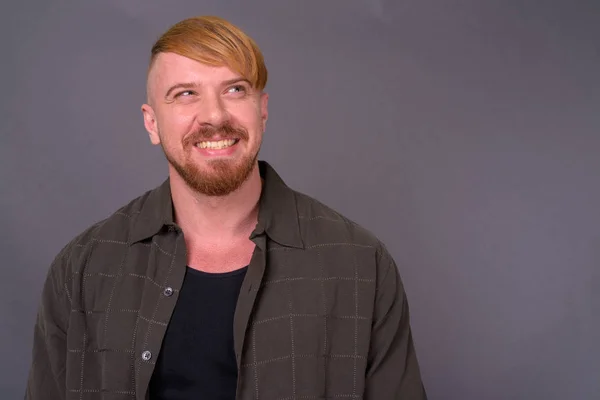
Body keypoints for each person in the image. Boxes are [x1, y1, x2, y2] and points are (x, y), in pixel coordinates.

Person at [24, 15, 427, 400]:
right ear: (151, 124)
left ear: (263, 111)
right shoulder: (82, 268)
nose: (214, 116)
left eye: (235, 90)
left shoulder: (358, 264)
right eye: (185, 94)